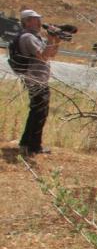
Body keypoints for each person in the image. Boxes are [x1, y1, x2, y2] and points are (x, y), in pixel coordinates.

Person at [14, 9, 61, 155]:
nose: (40, 22)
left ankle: (27, 144)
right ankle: (33, 146)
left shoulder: (36, 37)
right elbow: (43, 56)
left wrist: (55, 40)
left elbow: (51, 54)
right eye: (35, 19)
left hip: (40, 79)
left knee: (39, 112)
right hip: (34, 79)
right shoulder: (28, 37)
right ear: (27, 21)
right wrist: (50, 39)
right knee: (39, 112)